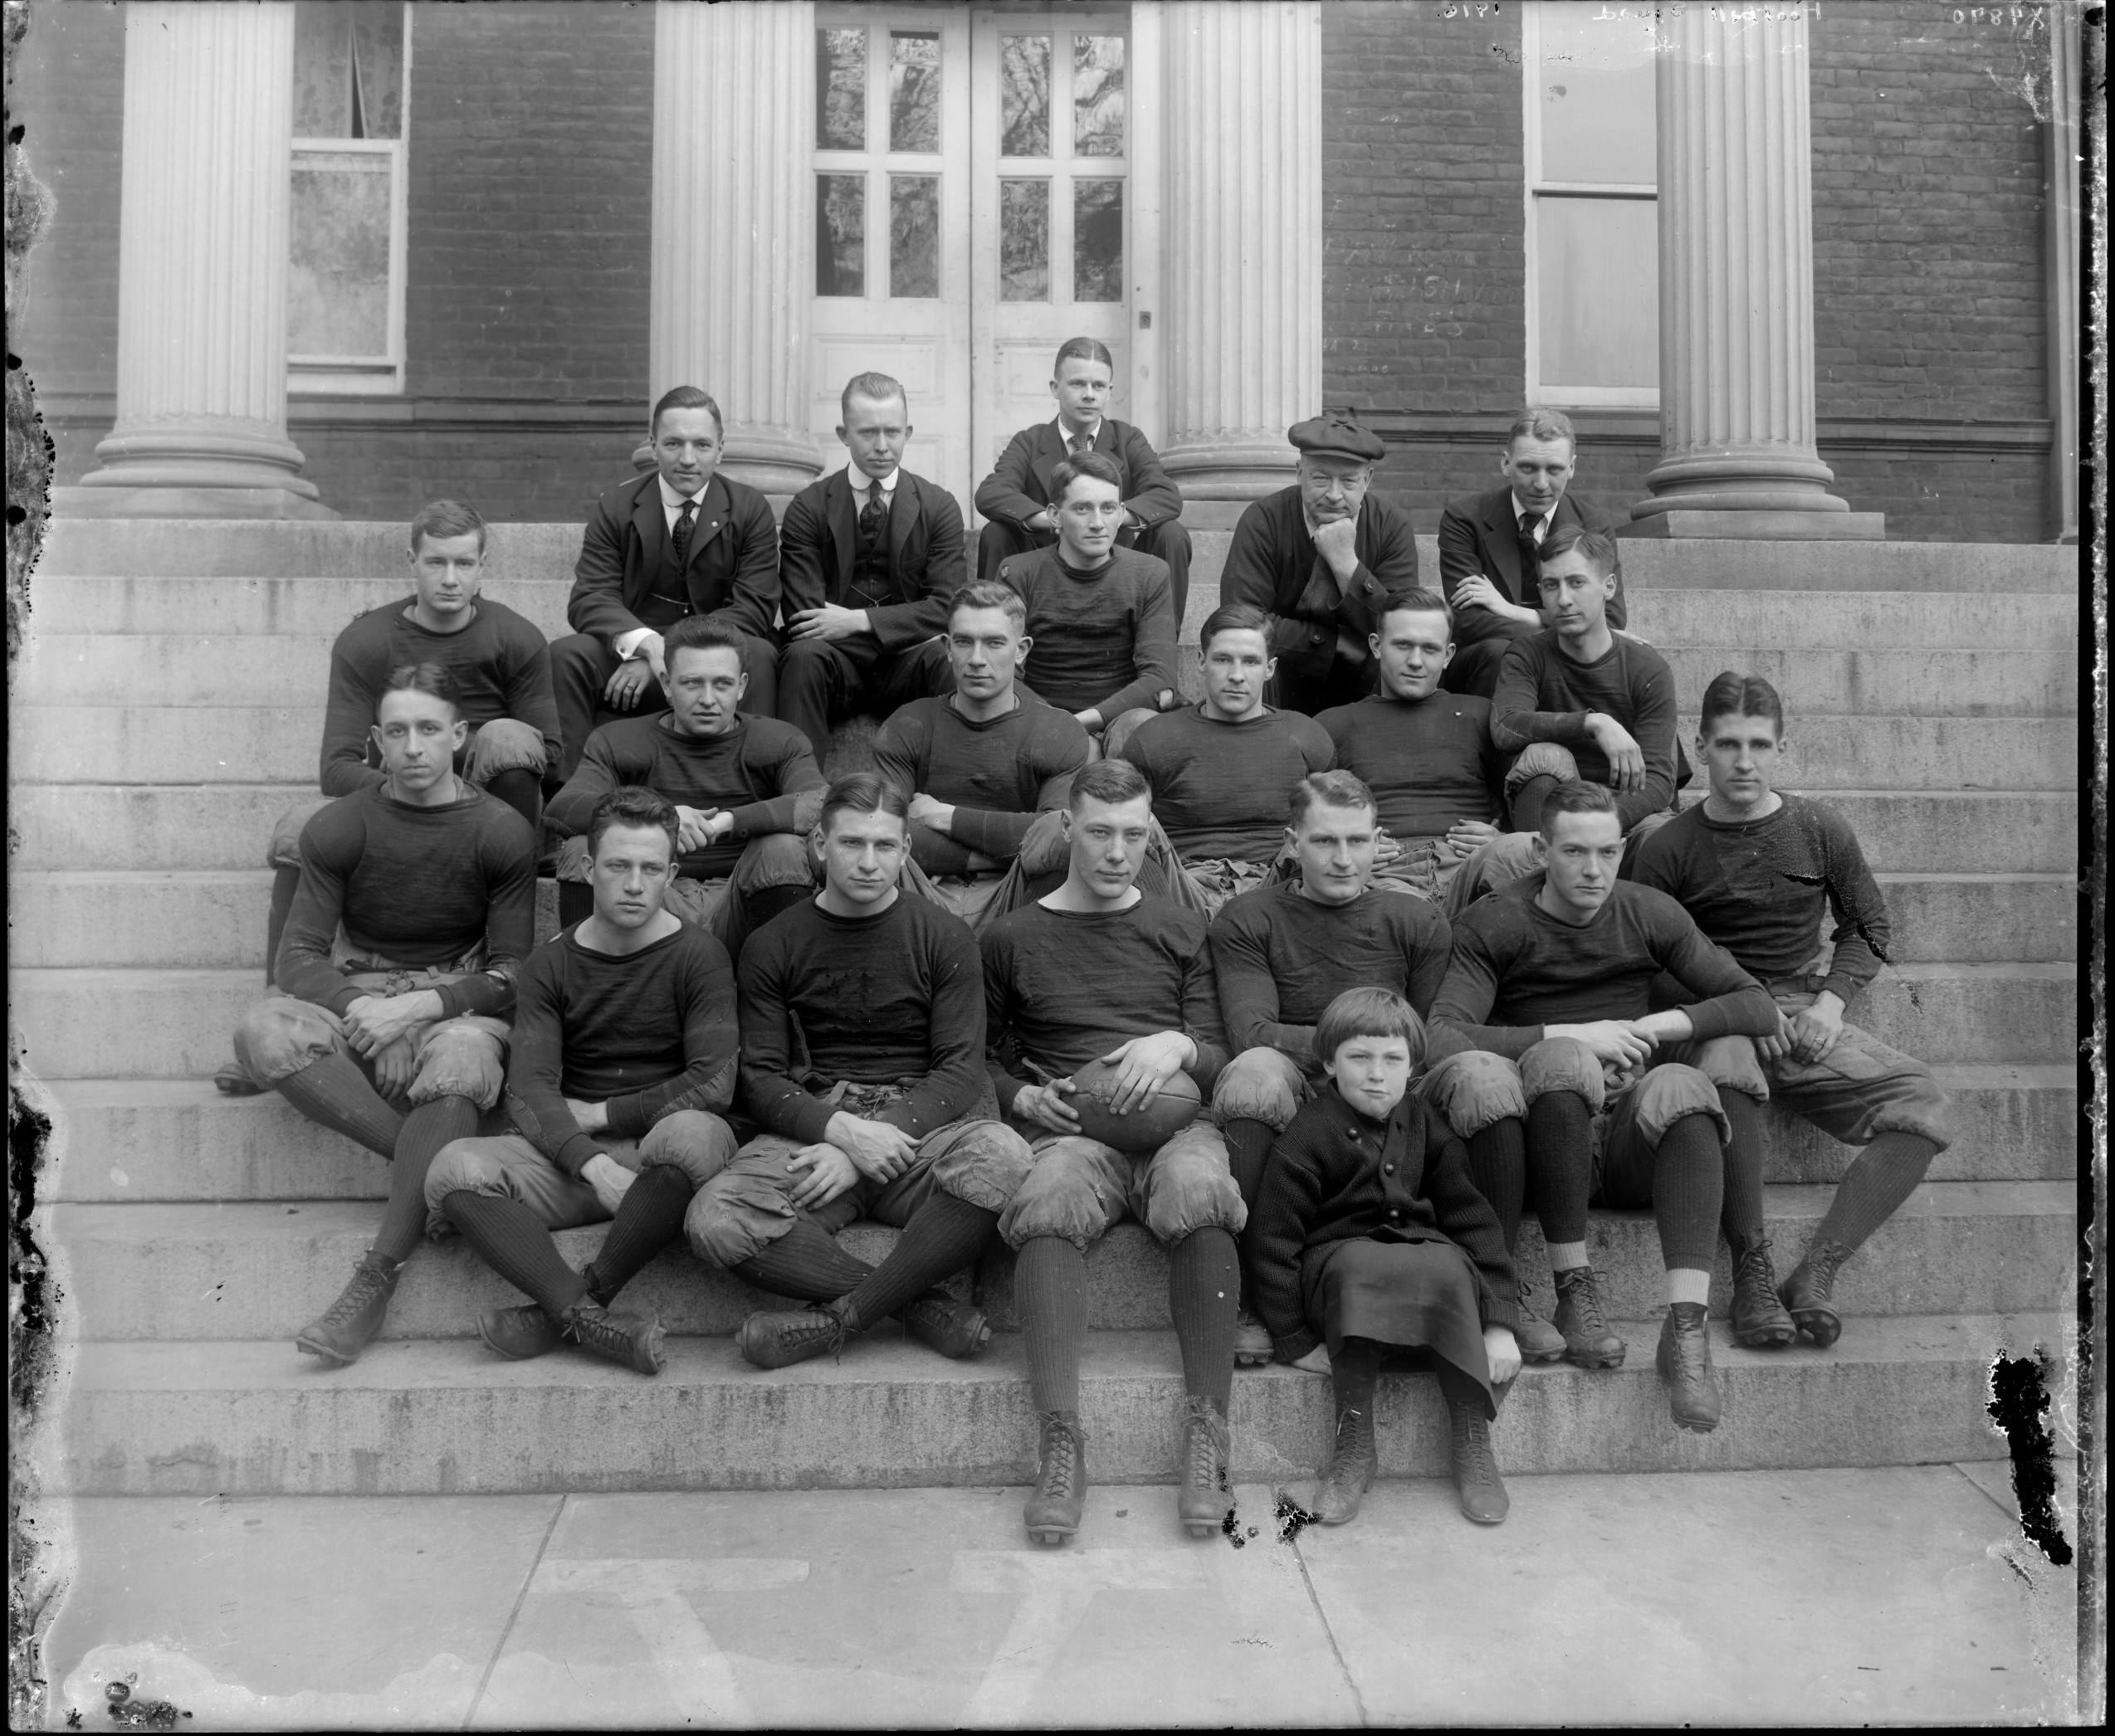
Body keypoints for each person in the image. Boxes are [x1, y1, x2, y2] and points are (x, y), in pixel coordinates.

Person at [1421, 782, 1780, 1432]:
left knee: (1687, 1090)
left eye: (1609, 852)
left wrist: (1658, 1024)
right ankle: (1572, 1288)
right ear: (1541, 849)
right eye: (1575, 852)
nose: (1594, 871)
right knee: (1564, 1063)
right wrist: (1574, 1034)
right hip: (1539, 1140)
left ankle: (1687, 1332)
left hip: (1622, 1138)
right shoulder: (1496, 920)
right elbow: (1442, 1034)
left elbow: (1755, 1002)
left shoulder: (1649, 912)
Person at [1628, 673, 1952, 1349]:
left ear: (1781, 748)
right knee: (1727, 1060)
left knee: (1923, 1103)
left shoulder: (1817, 828)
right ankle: (1751, 1272)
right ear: (1701, 746)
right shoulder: (1667, 847)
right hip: (1713, 1014)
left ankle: (1816, 1274)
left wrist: (1831, 1002)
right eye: (1727, 745)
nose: (1743, 761)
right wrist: (1740, 1012)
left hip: (1801, 1005)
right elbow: (1642, 963)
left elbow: (1867, 926)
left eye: (1758, 745)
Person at [227, 664, 535, 1365]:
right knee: (264, 1030)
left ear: (459, 735)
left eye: (430, 730)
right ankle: (428, 1170)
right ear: (376, 742)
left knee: (462, 1051)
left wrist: (421, 1010)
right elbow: (299, 959)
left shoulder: (500, 830)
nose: (415, 746)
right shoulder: (342, 825)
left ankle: (378, 1275)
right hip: (361, 988)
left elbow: (514, 970)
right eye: (397, 732)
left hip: (451, 997)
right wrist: (370, 1008)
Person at [678, 774, 1036, 1368]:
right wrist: (840, 1133)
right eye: (851, 844)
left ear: (906, 851)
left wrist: (870, 1140)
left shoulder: (944, 936)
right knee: (715, 1217)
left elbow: (959, 1069)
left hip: (919, 1135)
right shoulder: (772, 944)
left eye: (884, 846)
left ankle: (842, 1319)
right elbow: (761, 1077)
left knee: (1007, 1157)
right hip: (811, 1135)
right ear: (819, 844)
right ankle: (913, 1305)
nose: (869, 863)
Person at [983, 758, 1248, 1546]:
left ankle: (1209, 1434)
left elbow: (1223, 1046)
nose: (1117, 852)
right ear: (1067, 829)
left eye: (1135, 835)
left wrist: (1176, 1044)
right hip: (1074, 1126)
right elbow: (974, 1057)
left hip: (1176, 1124)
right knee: (1047, 1200)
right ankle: (1060, 1441)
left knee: (1202, 1190)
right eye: (1100, 833)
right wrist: (1019, 1097)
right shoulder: (1010, 937)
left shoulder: (1180, 925)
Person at [425, 785, 740, 1374]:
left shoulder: (700, 954)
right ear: (590, 867)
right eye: (619, 866)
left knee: (694, 1131)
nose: (634, 884)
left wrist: (605, 1116)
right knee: (453, 1169)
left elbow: (713, 1082)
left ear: (673, 871)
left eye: (651, 869)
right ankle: (588, 1322)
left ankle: (580, 1300)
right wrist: (591, 1162)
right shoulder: (552, 963)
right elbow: (529, 1088)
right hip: (580, 1162)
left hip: (662, 1152)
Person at [253, 500, 558, 1009]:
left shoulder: (517, 637)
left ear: (484, 566)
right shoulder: (368, 639)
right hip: (394, 795)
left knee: (509, 736)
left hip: (487, 808)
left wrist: (457, 796)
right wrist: (406, 792)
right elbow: (337, 766)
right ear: (410, 561)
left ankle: (507, 908)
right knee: (295, 827)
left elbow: (549, 750)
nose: (450, 578)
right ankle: (277, 995)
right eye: (435, 562)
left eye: (464, 563)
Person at [1244, 988, 1522, 1526]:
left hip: (1425, 1263)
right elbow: (1272, 1242)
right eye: (1359, 1058)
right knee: (1360, 1269)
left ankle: (1472, 1440)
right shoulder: (1310, 1132)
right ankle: (1354, 1446)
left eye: (1392, 1060)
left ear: (1413, 1066)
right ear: (1330, 1062)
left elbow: (1475, 1224)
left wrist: (1501, 1324)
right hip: (1341, 1272)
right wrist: (1296, 1339)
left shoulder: (1427, 1126)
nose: (1376, 1074)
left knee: (1449, 1266)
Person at [1209, 771, 1453, 1364]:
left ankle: (1487, 1292)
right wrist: (1360, 1053)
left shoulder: (1414, 920)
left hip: (1391, 1092)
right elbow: (1253, 1033)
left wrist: (1370, 1062)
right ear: (1292, 841)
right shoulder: (1248, 917)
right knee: (1254, 1071)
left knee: (1477, 1074)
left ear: (1379, 841)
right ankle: (1249, 1298)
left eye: (1357, 841)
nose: (1344, 859)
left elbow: (1426, 1038)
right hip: (1296, 1090)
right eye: (1324, 842)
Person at [882, 583, 1209, 928]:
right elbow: (881, 830)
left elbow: (1055, 834)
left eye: (994, 643)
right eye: (964, 642)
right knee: (842, 837)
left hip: (1019, 894)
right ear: (948, 648)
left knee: (1073, 832)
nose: (977, 659)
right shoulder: (909, 723)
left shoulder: (1056, 731)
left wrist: (945, 816)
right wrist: (999, 849)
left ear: (1021, 650)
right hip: (917, 890)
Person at [545, 616, 825, 949]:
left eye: (722, 684)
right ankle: (587, 982)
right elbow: (562, 809)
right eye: (692, 683)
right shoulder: (618, 740)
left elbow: (820, 803)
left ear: (742, 685)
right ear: (666, 683)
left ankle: (772, 986)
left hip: (743, 898)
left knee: (783, 849)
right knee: (582, 850)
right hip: (654, 892)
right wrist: (664, 818)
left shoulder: (780, 739)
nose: (708, 698)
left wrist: (728, 822)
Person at [550, 385, 783, 778]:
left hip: (711, 655)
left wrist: (671, 657)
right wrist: (646, 647)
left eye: (702, 445)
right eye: (674, 443)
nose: (688, 459)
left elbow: (756, 607)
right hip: (639, 652)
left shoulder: (750, 508)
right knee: (567, 655)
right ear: (654, 446)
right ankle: (571, 796)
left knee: (759, 652)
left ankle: (750, 782)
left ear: (721, 450)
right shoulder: (617, 506)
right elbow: (590, 596)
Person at [1449, 525, 1686, 905]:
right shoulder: (1526, 654)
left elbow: (1659, 781)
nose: (1563, 599)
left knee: (1664, 839)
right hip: (1550, 815)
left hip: (1625, 815)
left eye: (1577, 583)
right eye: (1550, 586)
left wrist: (1594, 831)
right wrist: (1593, 722)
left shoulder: (1647, 668)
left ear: (1608, 587)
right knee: (1545, 757)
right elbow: (1507, 726)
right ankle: (1538, 911)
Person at [775, 373, 966, 763]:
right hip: (836, 668)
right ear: (843, 434)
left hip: (907, 667)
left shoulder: (938, 506)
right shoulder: (809, 506)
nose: (882, 446)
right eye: (867, 433)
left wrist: (858, 620)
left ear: (908, 432)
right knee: (803, 655)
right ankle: (800, 795)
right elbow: (804, 617)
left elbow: (947, 607)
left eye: (893, 432)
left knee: (945, 656)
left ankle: (949, 791)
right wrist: (910, 627)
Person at [1116, 603, 1334, 914]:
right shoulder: (1155, 738)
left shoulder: (1306, 736)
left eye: (1250, 662)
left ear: (1270, 668)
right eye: (1223, 659)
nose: (1236, 675)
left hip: (1279, 882)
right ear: (1202, 662)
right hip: (1183, 883)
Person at [973, 335, 1193, 621]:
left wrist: (1110, 518)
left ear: (1109, 391)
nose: (1089, 394)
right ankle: (995, 634)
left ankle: (1162, 647)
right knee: (996, 532)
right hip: (1047, 564)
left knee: (1172, 534)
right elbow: (991, 492)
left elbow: (1166, 495)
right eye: (1077, 383)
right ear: (1055, 388)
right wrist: (1051, 519)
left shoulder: (1127, 440)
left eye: (1098, 385)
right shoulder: (1030, 441)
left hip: (1113, 562)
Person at [1315, 588, 1507, 911]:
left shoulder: (1482, 714)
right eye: (1403, 645)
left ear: (1448, 655)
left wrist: (1501, 838)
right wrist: (1349, 847)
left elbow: (1517, 798)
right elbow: (1307, 818)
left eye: (1430, 649)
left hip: (1471, 864)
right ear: (1376, 646)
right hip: (1385, 873)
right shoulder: (1335, 724)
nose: (1416, 661)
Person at [1219, 414, 1420, 715]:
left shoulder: (1391, 525)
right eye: (1321, 479)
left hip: (1365, 680)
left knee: (1393, 660)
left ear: (1368, 479)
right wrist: (1332, 642)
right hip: (1283, 677)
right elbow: (1242, 620)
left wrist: (1346, 564)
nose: (1334, 495)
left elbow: (1404, 627)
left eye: (1349, 481)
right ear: (1299, 472)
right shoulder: (1263, 520)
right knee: (1254, 658)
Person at [1435, 409, 1632, 700]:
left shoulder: (1593, 525)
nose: (1541, 484)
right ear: (1506, 463)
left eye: (1554, 469)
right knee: (1500, 652)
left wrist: (1516, 612)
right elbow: (1471, 621)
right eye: (1528, 468)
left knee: (1637, 666)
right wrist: (1567, 629)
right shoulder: (1465, 519)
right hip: (1488, 661)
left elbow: (1612, 619)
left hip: (1567, 660)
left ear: (1572, 467)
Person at [995, 451, 1181, 751]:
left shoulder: (1149, 573)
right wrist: (1056, 725)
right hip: (1037, 719)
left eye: (1108, 508)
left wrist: (1084, 723)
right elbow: (1002, 672)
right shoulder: (1019, 573)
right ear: (1055, 515)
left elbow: (1159, 678)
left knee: (1142, 728)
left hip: (1118, 719)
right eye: (1083, 509)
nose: (1098, 523)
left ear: (1121, 513)